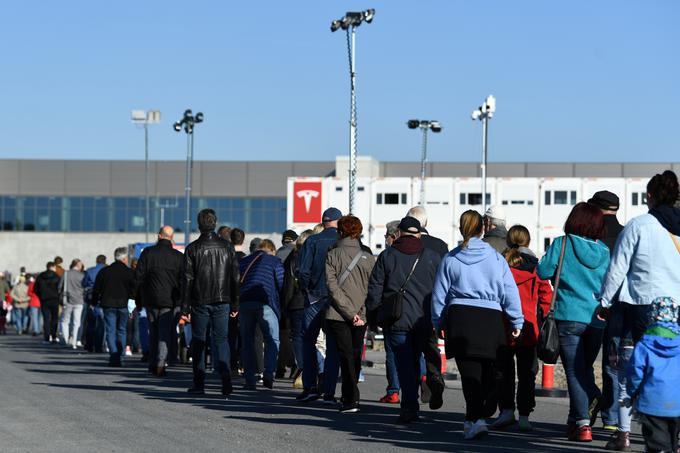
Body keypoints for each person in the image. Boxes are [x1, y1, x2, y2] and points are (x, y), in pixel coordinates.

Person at [432, 210, 524, 440]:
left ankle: (473, 419)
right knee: (488, 373)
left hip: (460, 317)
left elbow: (439, 294)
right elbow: (509, 291)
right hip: (490, 318)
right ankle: (476, 418)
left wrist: (437, 321)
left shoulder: (451, 258)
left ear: (461, 228)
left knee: (469, 373)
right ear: (483, 229)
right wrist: (516, 320)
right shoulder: (496, 258)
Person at [537, 202, 610, 442]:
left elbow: (543, 271)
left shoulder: (562, 243)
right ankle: (575, 419)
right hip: (597, 319)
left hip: (568, 316)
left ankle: (582, 423)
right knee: (584, 369)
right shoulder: (605, 251)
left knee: (574, 371)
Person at [368, 216, 444, 422]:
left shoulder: (387, 255)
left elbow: (375, 288)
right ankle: (430, 380)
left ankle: (410, 406)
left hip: (396, 319)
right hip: (423, 320)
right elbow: (441, 290)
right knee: (418, 357)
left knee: (404, 365)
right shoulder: (432, 256)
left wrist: (374, 315)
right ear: (419, 234)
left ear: (399, 233)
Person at [599, 170, 680, 342]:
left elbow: (618, 268)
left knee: (648, 356)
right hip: (677, 303)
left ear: (649, 196)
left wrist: (605, 302)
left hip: (645, 302)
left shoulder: (639, 225)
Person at [491, 225, 553, 432]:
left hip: (502, 325)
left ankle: (506, 411)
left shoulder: (500, 266)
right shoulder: (537, 268)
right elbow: (546, 297)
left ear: (508, 241)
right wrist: (544, 318)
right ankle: (525, 415)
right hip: (529, 328)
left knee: (503, 372)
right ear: (527, 242)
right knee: (527, 374)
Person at [182, 209, 240, 396]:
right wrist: (235, 304)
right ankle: (226, 381)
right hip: (223, 299)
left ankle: (199, 384)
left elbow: (187, 279)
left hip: (200, 300)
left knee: (199, 340)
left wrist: (185, 306)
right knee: (221, 340)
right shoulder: (227, 247)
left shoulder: (192, 248)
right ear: (214, 223)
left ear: (199, 225)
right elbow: (235, 277)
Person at [324, 215, 375, 413]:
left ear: (340, 232)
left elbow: (332, 286)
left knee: (344, 355)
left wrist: (348, 311)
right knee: (354, 355)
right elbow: (372, 289)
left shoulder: (332, 255)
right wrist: (359, 313)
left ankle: (350, 398)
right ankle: (353, 396)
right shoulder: (368, 257)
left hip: (338, 313)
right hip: (360, 315)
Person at [587, 190, 626, 438]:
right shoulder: (625, 234)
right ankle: (612, 418)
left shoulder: (590, 235)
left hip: (590, 305)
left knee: (582, 361)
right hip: (622, 307)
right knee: (615, 362)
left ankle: (590, 403)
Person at [295, 207, 342, 403]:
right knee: (333, 345)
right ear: (338, 222)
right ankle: (329, 391)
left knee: (308, 341)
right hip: (336, 299)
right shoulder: (342, 242)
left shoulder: (312, 241)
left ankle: (310, 386)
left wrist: (309, 290)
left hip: (314, 298)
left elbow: (303, 271)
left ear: (323, 222)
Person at [626, 297, 680, 453]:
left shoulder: (644, 343)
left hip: (652, 402)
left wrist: (633, 392)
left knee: (657, 444)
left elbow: (635, 372)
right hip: (677, 402)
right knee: (672, 440)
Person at [135, 226, 183, 377]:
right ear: (171, 237)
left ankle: (152, 363)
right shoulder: (178, 256)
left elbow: (138, 278)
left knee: (153, 331)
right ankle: (160, 363)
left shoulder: (148, 253)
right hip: (169, 301)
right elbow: (183, 281)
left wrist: (138, 299)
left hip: (150, 299)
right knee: (164, 333)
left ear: (158, 236)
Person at [238, 239, 284, 390]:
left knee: (247, 341)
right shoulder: (275, 261)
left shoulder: (244, 261)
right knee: (272, 339)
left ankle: (250, 379)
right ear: (271, 250)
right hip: (266, 303)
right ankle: (269, 373)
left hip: (245, 302)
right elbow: (281, 282)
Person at [92, 247, 136, 367]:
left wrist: (94, 302)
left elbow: (96, 289)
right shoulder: (129, 272)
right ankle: (120, 355)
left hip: (108, 304)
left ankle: (114, 354)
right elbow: (134, 290)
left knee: (110, 330)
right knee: (121, 330)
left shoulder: (105, 271)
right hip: (123, 304)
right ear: (124, 258)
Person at [282, 229, 314, 388]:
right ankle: (311, 368)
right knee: (311, 337)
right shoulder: (315, 256)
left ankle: (302, 366)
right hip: (313, 301)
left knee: (297, 337)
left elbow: (288, 285)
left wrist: (286, 306)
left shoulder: (293, 258)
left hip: (296, 302)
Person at [377, 220, 402, 404]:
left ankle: (393, 390)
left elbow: (377, 286)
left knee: (392, 352)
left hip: (391, 310)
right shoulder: (420, 254)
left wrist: (374, 311)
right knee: (415, 351)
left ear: (393, 236)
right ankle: (422, 377)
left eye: (386, 236)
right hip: (415, 311)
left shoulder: (386, 256)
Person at [58, 259, 85, 349]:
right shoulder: (82, 275)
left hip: (67, 299)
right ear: (77, 265)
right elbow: (85, 287)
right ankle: (74, 340)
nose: (81, 266)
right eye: (80, 264)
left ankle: (65, 339)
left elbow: (60, 286)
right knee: (76, 322)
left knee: (65, 321)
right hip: (79, 300)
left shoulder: (66, 274)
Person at [83, 255, 107, 353]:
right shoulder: (106, 270)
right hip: (103, 297)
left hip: (91, 297)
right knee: (101, 323)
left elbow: (83, 283)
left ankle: (89, 344)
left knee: (91, 322)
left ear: (96, 261)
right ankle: (98, 346)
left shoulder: (89, 270)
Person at [34, 262, 61, 344]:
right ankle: (54, 336)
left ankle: (46, 338)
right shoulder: (57, 276)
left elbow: (36, 289)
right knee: (54, 319)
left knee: (46, 319)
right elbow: (60, 288)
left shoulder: (40, 276)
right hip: (55, 299)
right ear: (52, 267)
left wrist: (41, 296)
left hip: (44, 300)